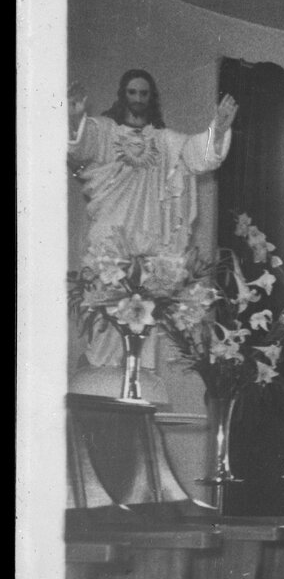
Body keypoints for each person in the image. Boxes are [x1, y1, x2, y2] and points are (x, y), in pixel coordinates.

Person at [67, 70, 238, 365]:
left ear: (151, 98)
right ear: (123, 95)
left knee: (146, 306)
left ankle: (138, 371)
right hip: (110, 230)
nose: (137, 99)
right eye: (132, 93)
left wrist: (218, 130)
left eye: (143, 94)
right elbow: (81, 146)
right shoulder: (105, 131)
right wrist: (74, 118)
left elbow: (198, 152)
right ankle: (100, 366)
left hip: (148, 234)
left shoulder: (165, 140)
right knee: (105, 297)